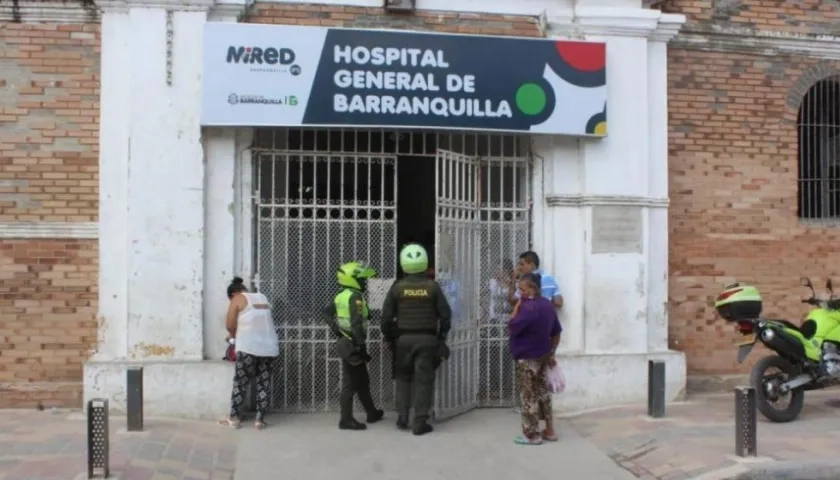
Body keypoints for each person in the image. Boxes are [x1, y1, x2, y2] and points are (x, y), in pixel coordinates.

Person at [381, 243, 452, 435]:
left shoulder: (397, 288)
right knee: (423, 379)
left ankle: (402, 417)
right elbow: (445, 315)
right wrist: (441, 337)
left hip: (403, 340)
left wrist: (389, 337)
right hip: (427, 339)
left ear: (403, 263)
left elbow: (386, 317)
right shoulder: (432, 287)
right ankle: (420, 421)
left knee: (403, 377)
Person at [321, 261, 385, 431]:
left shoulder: (341, 295)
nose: (365, 282)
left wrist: (337, 330)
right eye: (362, 279)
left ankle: (371, 412)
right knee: (351, 383)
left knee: (363, 381)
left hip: (346, 342)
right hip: (352, 344)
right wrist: (361, 346)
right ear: (352, 280)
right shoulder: (355, 297)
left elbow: (326, 313)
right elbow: (356, 323)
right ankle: (346, 420)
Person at [219, 277, 279, 430]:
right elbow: (260, 319)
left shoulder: (237, 298)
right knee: (263, 382)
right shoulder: (262, 297)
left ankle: (234, 418)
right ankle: (259, 420)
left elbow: (230, 324)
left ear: (233, 294)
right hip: (269, 347)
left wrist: (232, 335)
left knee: (240, 382)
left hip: (248, 347)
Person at [509, 272, 561, 445]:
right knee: (543, 393)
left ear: (532, 288)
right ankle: (550, 430)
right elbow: (556, 332)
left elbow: (513, 325)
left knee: (528, 395)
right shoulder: (547, 305)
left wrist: (517, 307)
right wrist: (552, 352)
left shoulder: (527, 308)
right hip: (543, 355)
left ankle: (532, 434)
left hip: (527, 357)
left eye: (521, 289)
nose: (519, 293)